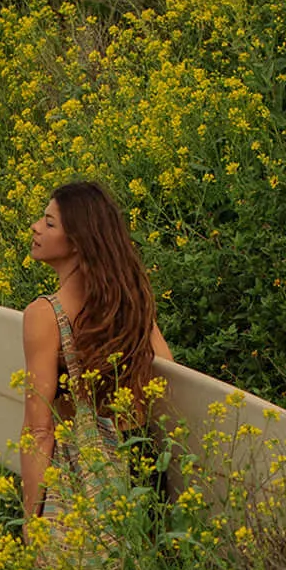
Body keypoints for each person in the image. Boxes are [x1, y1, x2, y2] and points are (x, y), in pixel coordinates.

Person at [20, 181, 170, 540]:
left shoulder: (45, 314)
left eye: (50, 222)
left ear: (78, 241)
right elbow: (167, 373)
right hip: (143, 466)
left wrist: (30, 520)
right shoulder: (131, 301)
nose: (36, 228)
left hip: (84, 473)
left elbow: (39, 431)